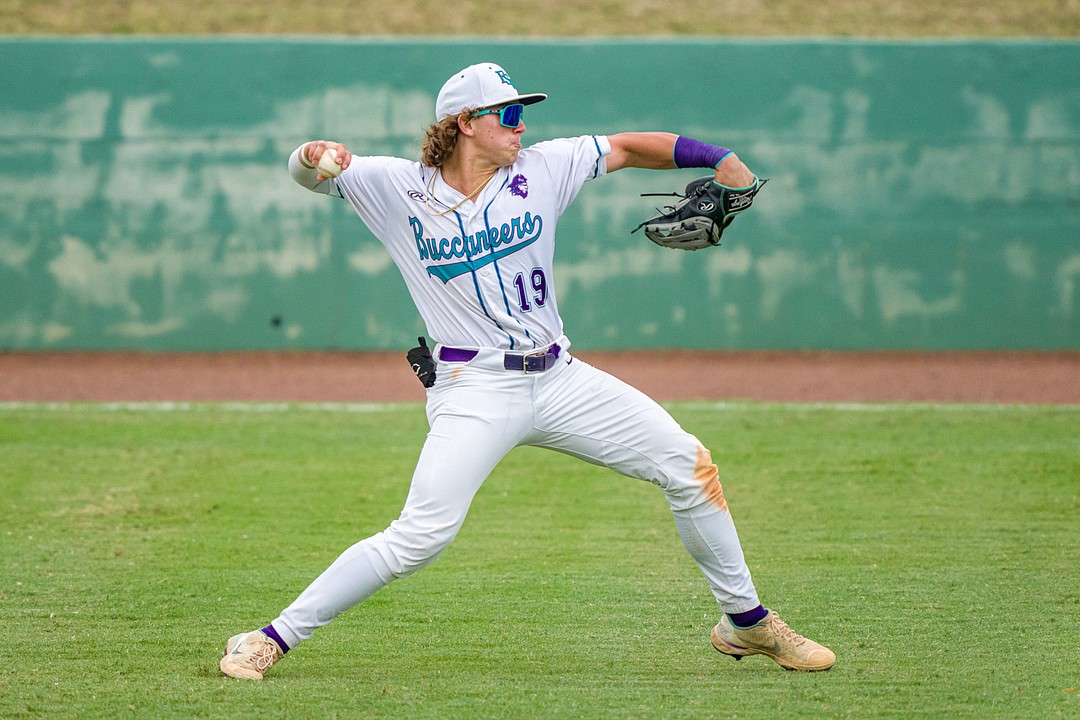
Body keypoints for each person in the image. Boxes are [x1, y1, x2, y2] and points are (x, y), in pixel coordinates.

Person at [219, 62, 835, 680]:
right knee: (420, 536)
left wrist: (719, 157)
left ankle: (747, 623)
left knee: (689, 463)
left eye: (523, 112)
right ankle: (269, 638)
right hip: (475, 387)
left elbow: (625, 146)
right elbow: (305, 174)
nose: (521, 125)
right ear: (464, 123)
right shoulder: (394, 186)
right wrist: (310, 152)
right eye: (508, 114)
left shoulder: (541, 168)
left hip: (560, 377)